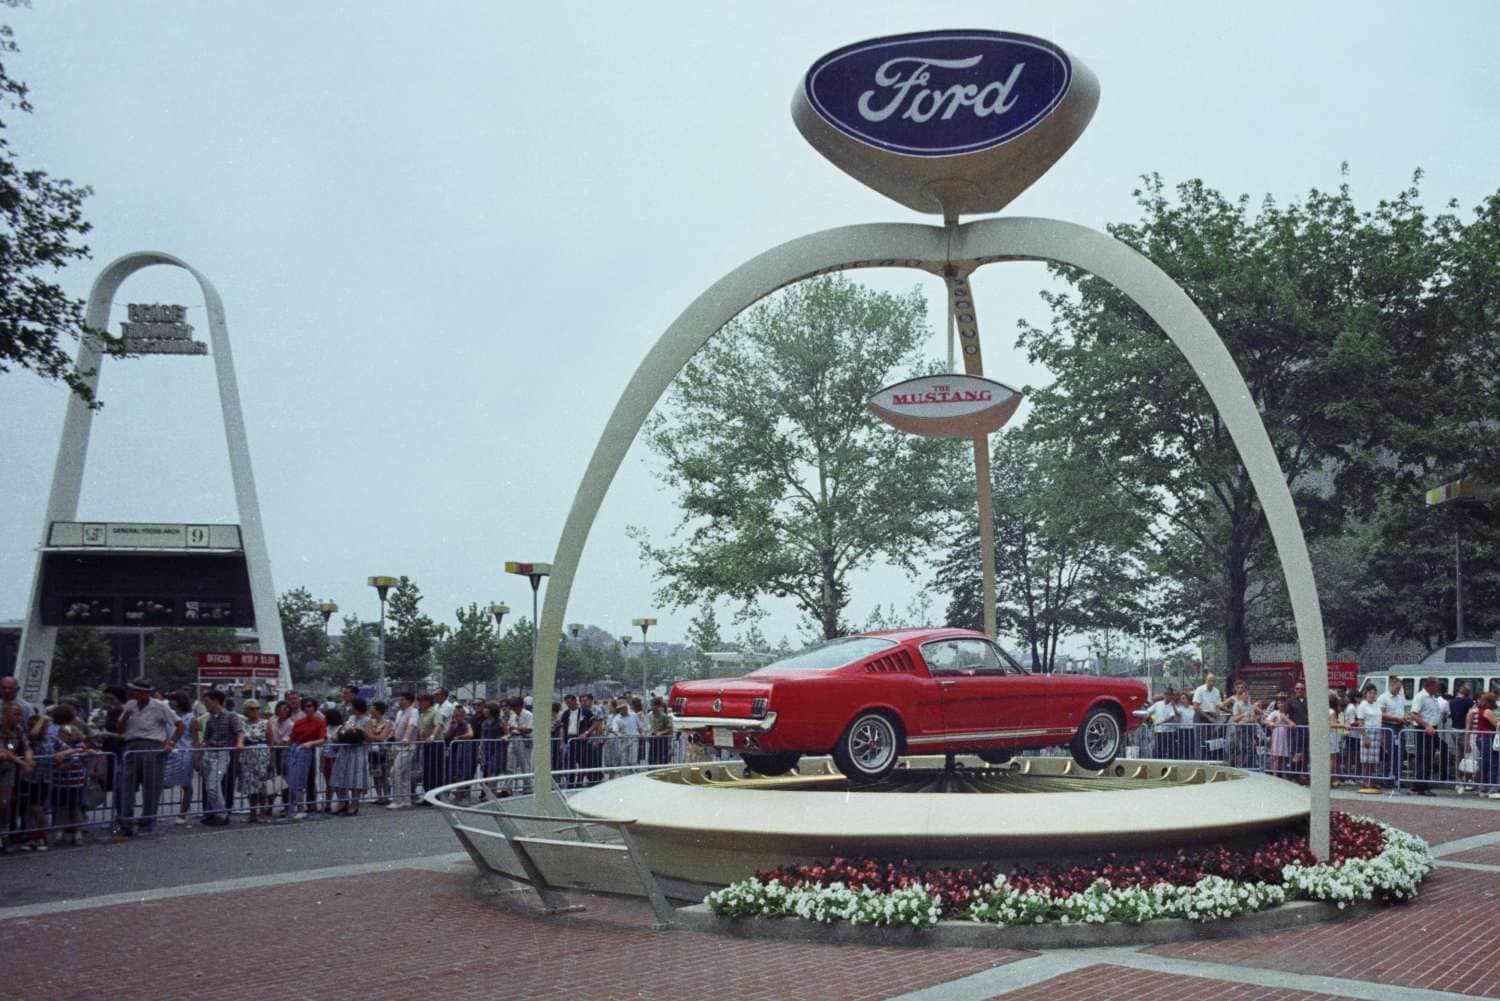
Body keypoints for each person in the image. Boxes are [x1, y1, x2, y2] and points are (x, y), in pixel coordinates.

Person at [115, 678, 183, 836]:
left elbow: (179, 724)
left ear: (147, 693)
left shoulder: (160, 706)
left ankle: (147, 820)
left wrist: (170, 743)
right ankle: (126, 822)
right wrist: (125, 716)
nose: (135, 693)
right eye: (134, 691)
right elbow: (119, 729)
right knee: (126, 785)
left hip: (152, 745)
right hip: (131, 745)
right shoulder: (130, 705)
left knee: (151, 786)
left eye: (138, 691)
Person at [198, 690, 244, 826]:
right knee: (209, 785)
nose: (205, 705)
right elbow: (206, 738)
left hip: (222, 753)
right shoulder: (211, 719)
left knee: (213, 785)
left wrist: (239, 743)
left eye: (207, 702)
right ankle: (214, 813)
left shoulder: (231, 716)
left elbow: (240, 731)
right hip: (209, 753)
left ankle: (222, 814)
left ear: (216, 701)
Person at [159, 692, 197, 826]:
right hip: (169, 752)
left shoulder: (191, 718)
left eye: (173, 700)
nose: (170, 702)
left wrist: (197, 757)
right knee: (161, 782)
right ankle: (156, 811)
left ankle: (183, 813)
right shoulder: (168, 716)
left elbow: (195, 739)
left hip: (185, 752)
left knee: (186, 784)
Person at [286, 698, 327, 818]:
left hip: (310, 751)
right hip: (297, 750)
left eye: (310, 706)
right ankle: (300, 806)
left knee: (308, 779)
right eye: (305, 706)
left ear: (314, 707)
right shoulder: (299, 722)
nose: (308, 708)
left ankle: (309, 805)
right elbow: (292, 737)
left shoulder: (319, 722)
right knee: (295, 778)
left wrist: (310, 743)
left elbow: (322, 738)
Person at [50, 723, 89, 846]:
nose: (61, 736)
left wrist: (64, 764)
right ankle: (59, 833)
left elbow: (79, 755)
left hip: (75, 782)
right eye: (60, 734)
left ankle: (78, 833)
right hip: (60, 782)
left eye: (64, 734)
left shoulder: (79, 745)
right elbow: (54, 758)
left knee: (75, 808)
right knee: (61, 808)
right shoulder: (58, 746)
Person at [330, 697, 372, 815]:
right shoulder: (350, 718)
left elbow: (370, 738)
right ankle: (342, 802)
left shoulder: (367, 720)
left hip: (358, 752)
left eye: (352, 705)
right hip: (345, 751)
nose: (350, 708)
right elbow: (344, 731)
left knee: (355, 778)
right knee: (340, 776)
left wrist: (360, 730)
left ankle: (354, 804)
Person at [0, 704, 32, 852]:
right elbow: (3, 752)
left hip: (7, 772)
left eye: (20, 714)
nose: (19, 718)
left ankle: (5, 835)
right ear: (6, 715)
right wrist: (22, 762)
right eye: (16, 714)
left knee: (5, 804)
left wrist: (29, 758)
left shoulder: (18, 729)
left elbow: (26, 746)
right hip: (5, 765)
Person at [1409, 677, 1444, 795]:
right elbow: (1413, 715)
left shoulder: (1433, 697)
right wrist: (1426, 725)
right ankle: (1419, 786)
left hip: (1432, 729)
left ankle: (1424, 784)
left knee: (1429, 757)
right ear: (1430, 686)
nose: (1439, 688)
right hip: (1424, 730)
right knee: (1423, 757)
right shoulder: (1421, 697)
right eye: (1437, 685)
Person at [239, 700, 273, 820]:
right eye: (252, 708)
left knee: (263, 786)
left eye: (257, 708)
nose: (255, 711)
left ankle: (262, 811)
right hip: (248, 757)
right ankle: (252, 813)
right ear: (246, 710)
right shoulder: (242, 724)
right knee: (250, 787)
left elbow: (270, 742)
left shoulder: (265, 723)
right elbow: (240, 738)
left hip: (263, 755)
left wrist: (271, 760)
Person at [387, 692, 420, 809]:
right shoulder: (399, 712)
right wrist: (391, 735)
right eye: (399, 699)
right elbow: (395, 727)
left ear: (409, 701)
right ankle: (406, 800)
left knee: (395, 771)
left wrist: (406, 737)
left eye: (402, 699)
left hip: (408, 746)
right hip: (397, 746)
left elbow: (412, 726)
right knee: (404, 774)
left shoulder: (414, 711)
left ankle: (398, 800)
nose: (399, 702)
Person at [1376, 677, 1410, 787]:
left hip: (1400, 727)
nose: (1399, 690)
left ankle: (1397, 778)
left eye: (1400, 688)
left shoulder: (1400, 698)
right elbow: (1381, 714)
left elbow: (1402, 711)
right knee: (1388, 753)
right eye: (1397, 687)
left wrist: (1405, 717)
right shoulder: (1383, 698)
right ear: (1391, 685)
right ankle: (1387, 778)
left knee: (1400, 753)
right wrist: (1396, 718)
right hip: (1388, 727)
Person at [268, 700, 295, 816]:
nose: (283, 711)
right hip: (273, 753)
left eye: (286, 709)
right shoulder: (272, 722)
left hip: (285, 754)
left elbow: (287, 739)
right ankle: (269, 805)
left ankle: (288, 805)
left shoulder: (291, 724)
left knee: (285, 780)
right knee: (272, 779)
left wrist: (278, 742)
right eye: (281, 708)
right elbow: (269, 735)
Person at [1353, 684, 1384, 785]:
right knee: (1366, 760)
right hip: (1367, 734)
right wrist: (1365, 737)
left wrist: (1381, 736)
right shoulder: (1363, 705)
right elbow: (1360, 722)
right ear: (1366, 694)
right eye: (1370, 693)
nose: (1372, 695)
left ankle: (1370, 780)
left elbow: (1379, 720)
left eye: (1374, 693)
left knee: (1374, 760)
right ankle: (1365, 780)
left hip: (1376, 734)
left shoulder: (1377, 705)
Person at [365, 700, 394, 805]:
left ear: (378, 710)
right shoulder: (369, 722)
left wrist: (371, 736)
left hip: (383, 751)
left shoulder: (387, 722)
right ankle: (379, 796)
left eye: (372, 707)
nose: (370, 709)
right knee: (375, 775)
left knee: (384, 774)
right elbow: (368, 736)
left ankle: (386, 796)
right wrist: (372, 736)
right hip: (372, 751)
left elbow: (382, 737)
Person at [417, 693, 445, 797]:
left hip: (435, 745)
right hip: (425, 745)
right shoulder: (423, 714)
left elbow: (438, 725)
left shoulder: (435, 712)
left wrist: (432, 736)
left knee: (435, 771)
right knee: (426, 771)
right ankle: (427, 794)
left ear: (428, 702)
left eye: (421, 701)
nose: (419, 703)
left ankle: (436, 795)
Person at [445, 705, 475, 793]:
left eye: (459, 715)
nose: (457, 717)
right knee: (454, 772)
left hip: (464, 750)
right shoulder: (453, 724)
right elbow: (447, 735)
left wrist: (460, 737)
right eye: (455, 715)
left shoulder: (466, 723)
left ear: (463, 716)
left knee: (461, 772)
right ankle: (458, 792)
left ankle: (461, 793)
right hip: (454, 750)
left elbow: (470, 734)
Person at [506, 696, 533, 793]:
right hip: (514, 739)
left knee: (524, 764)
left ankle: (528, 787)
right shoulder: (513, 715)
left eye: (515, 706)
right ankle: (507, 788)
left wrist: (517, 729)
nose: (513, 708)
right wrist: (515, 729)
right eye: (512, 706)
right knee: (510, 765)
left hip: (524, 740)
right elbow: (509, 727)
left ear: (520, 705)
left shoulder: (528, 715)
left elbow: (529, 729)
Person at [1284, 681, 1309, 782]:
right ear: (1295, 690)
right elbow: (1283, 715)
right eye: (1298, 688)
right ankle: (1292, 774)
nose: (1300, 690)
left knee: (1304, 754)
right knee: (1297, 753)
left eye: (1302, 688)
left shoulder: (1309, 701)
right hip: (1296, 732)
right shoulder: (1290, 701)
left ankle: (1300, 775)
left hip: (1307, 732)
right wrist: (1290, 722)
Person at [481, 701, 508, 779]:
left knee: (493, 770)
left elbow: (507, 733)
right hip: (487, 749)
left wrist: (505, 737)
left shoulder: (500, 722)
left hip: (497, 749)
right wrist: (481, 748)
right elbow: (482, 736)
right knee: (486, 770)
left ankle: (492, 789)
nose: (484, 711)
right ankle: (489, 789)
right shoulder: (484, 723)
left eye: (486, 709)